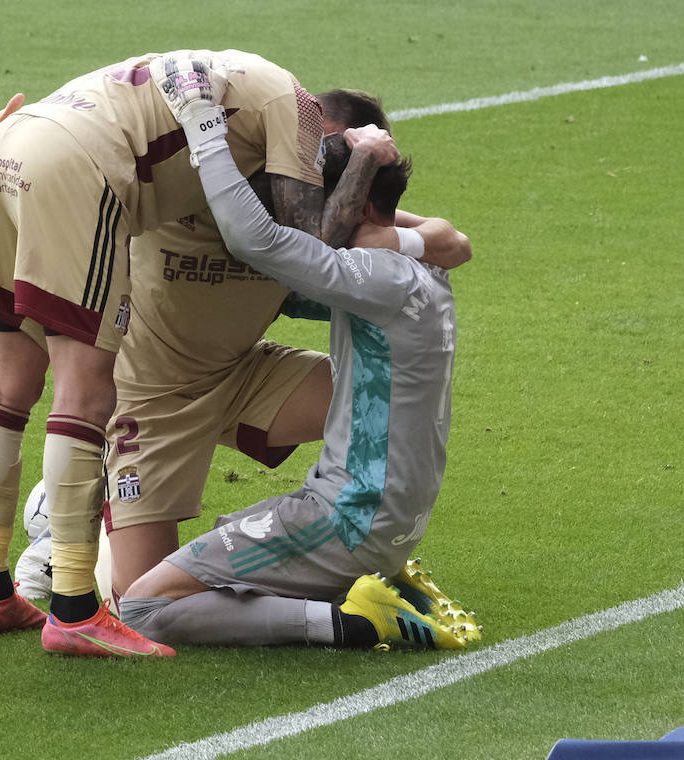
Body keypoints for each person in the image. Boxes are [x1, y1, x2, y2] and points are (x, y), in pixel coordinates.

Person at [0, 50, 337, 658]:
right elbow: (303, 238)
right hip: (79, 169)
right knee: (86, 388)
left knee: (6, 384)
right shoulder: (297, 107)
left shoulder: (226, 78)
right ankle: (76, 610)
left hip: (14, 147)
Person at [118, 66, 479, 650]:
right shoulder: (415, 261)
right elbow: (449, 240)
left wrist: (205, 127)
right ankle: (371, 579)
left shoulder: (367, 276)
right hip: (388, 517)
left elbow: (252, 238)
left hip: (347, 517)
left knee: (140, 604)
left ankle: (354, 621)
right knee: (217, 542)